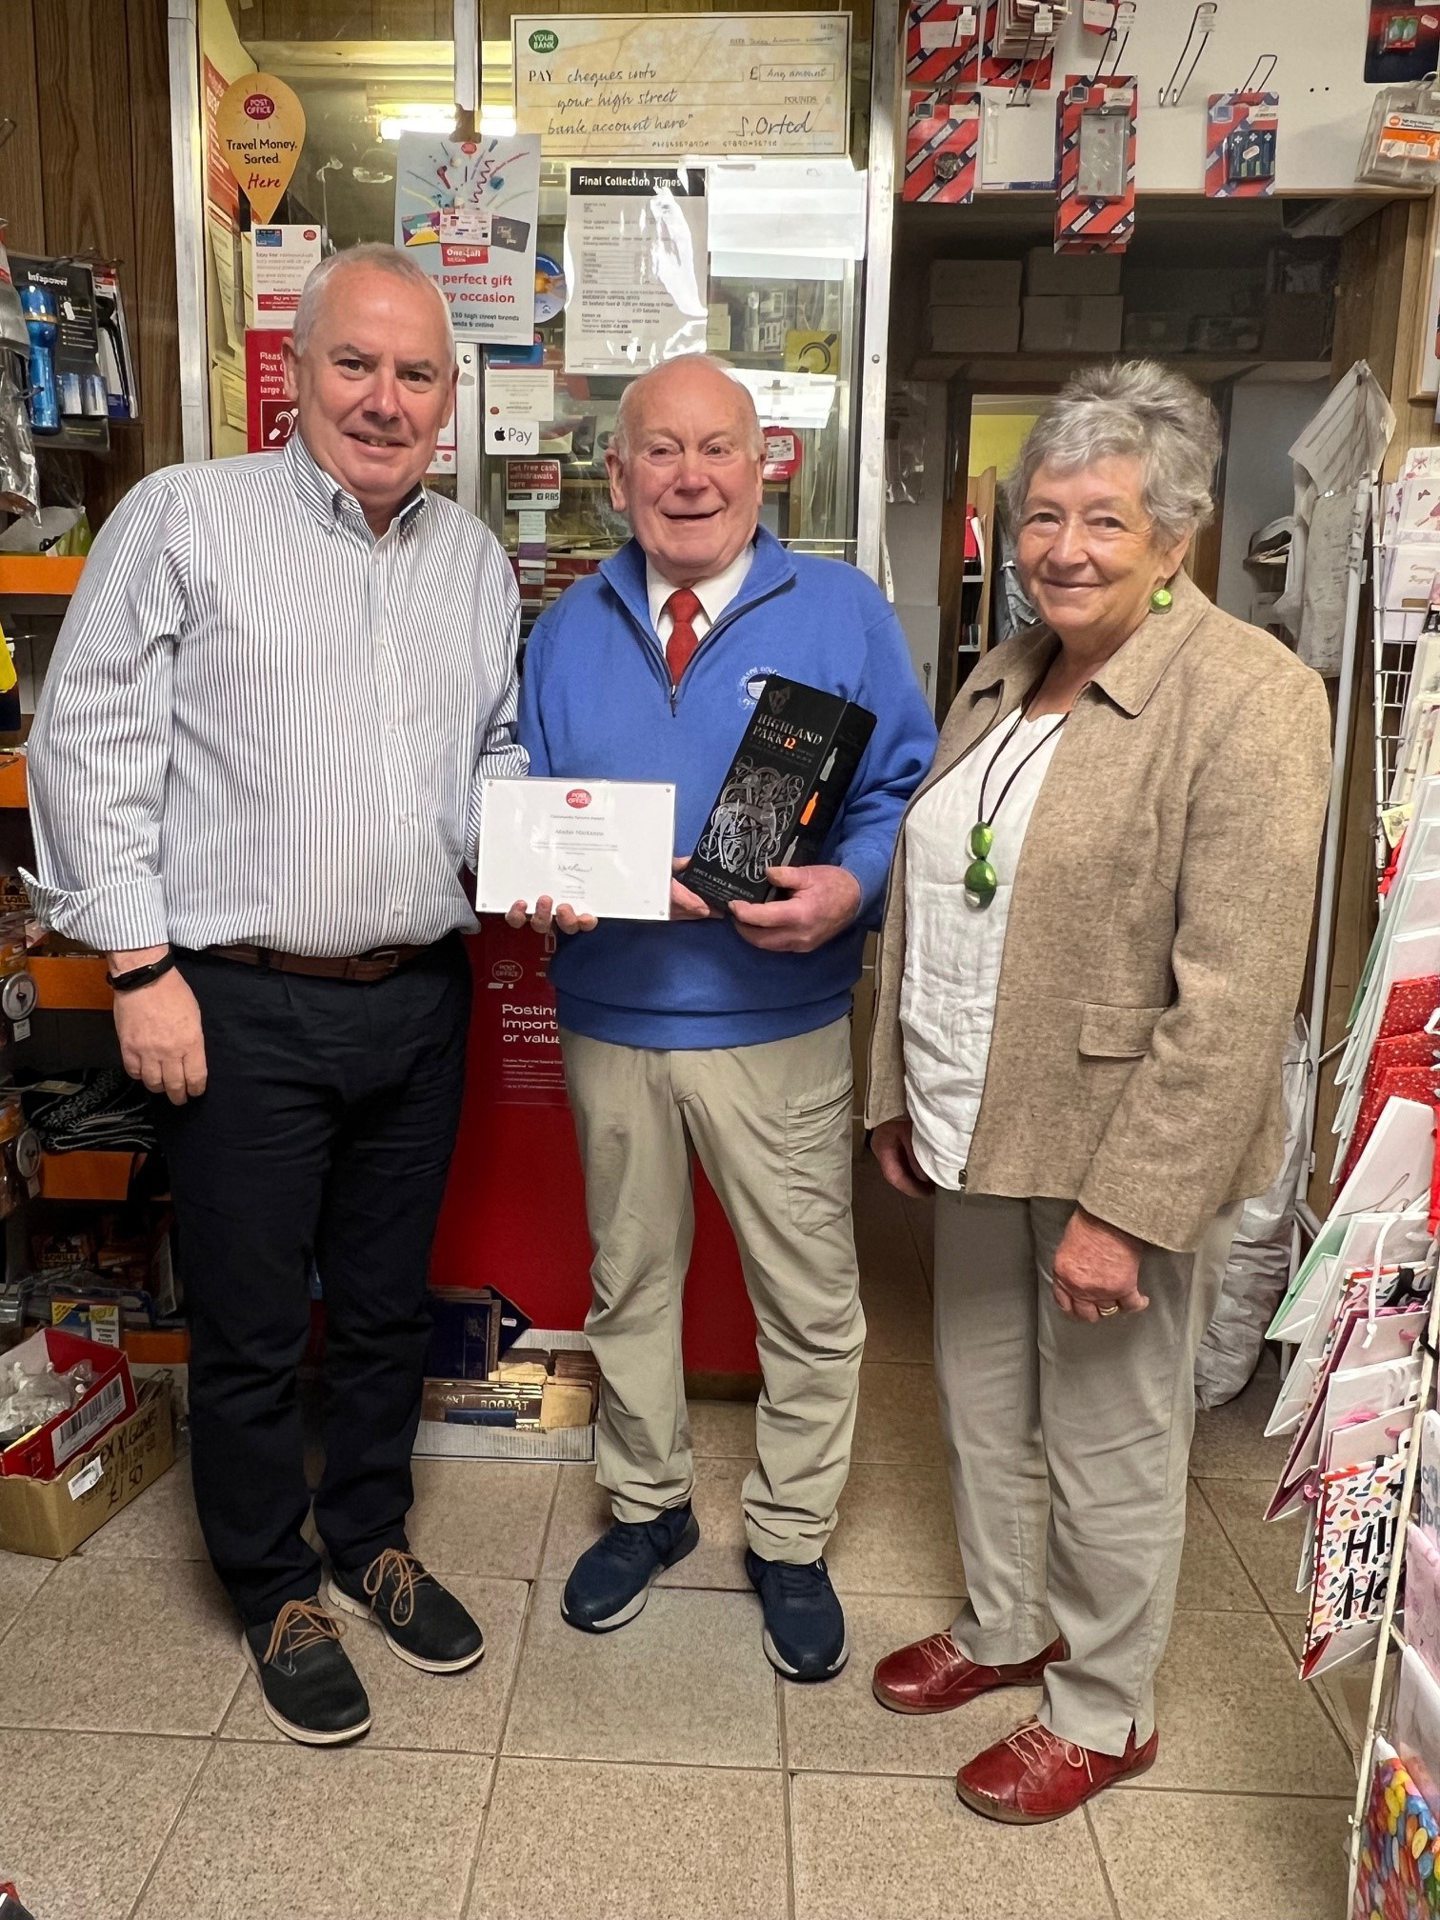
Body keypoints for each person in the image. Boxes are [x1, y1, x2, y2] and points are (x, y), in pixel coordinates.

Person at [24, 244, 524, 1748]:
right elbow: (86, 746)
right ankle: (272, 1583)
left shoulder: (476, 561)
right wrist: (137, 967)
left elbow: (491, 757)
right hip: (231, 999)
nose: (385, 398)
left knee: (380, 1311)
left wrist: (541, 849)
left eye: (416, 374)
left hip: (418, 994)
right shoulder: (185, 518)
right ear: (295, 374)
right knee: (249, 1328)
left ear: (451, 400)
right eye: (356, 364)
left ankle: (368, 1536)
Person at [866, 361, 1331, 1820]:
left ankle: (1107, 1704)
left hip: (1114, 1144)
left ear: (1177, 536)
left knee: (1115, 1433)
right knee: (985, 1399)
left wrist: (1126, 1212)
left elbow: (1239, 995)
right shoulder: (1006, 670)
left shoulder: (1252, 697)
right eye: (1043, 516)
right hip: (975, 1115)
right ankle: (1011, 1623)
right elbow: (931, 896)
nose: (1063, 547)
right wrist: (896, 1087)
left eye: (1104, 521)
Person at [515, 354, 935, 1682]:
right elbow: (526, 791)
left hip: (779, 1021)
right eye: (659, 451)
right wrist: (535, 881)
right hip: (613, 1018)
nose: (689, 476)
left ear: (767, 466)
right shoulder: (568, 626)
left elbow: (897, 794)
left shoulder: (843, 613)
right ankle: (646, 1508)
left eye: (717, 450)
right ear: (618, 472)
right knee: (628, 1284)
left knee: (807, 1298)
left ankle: (793, 1531)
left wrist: (850, 886)